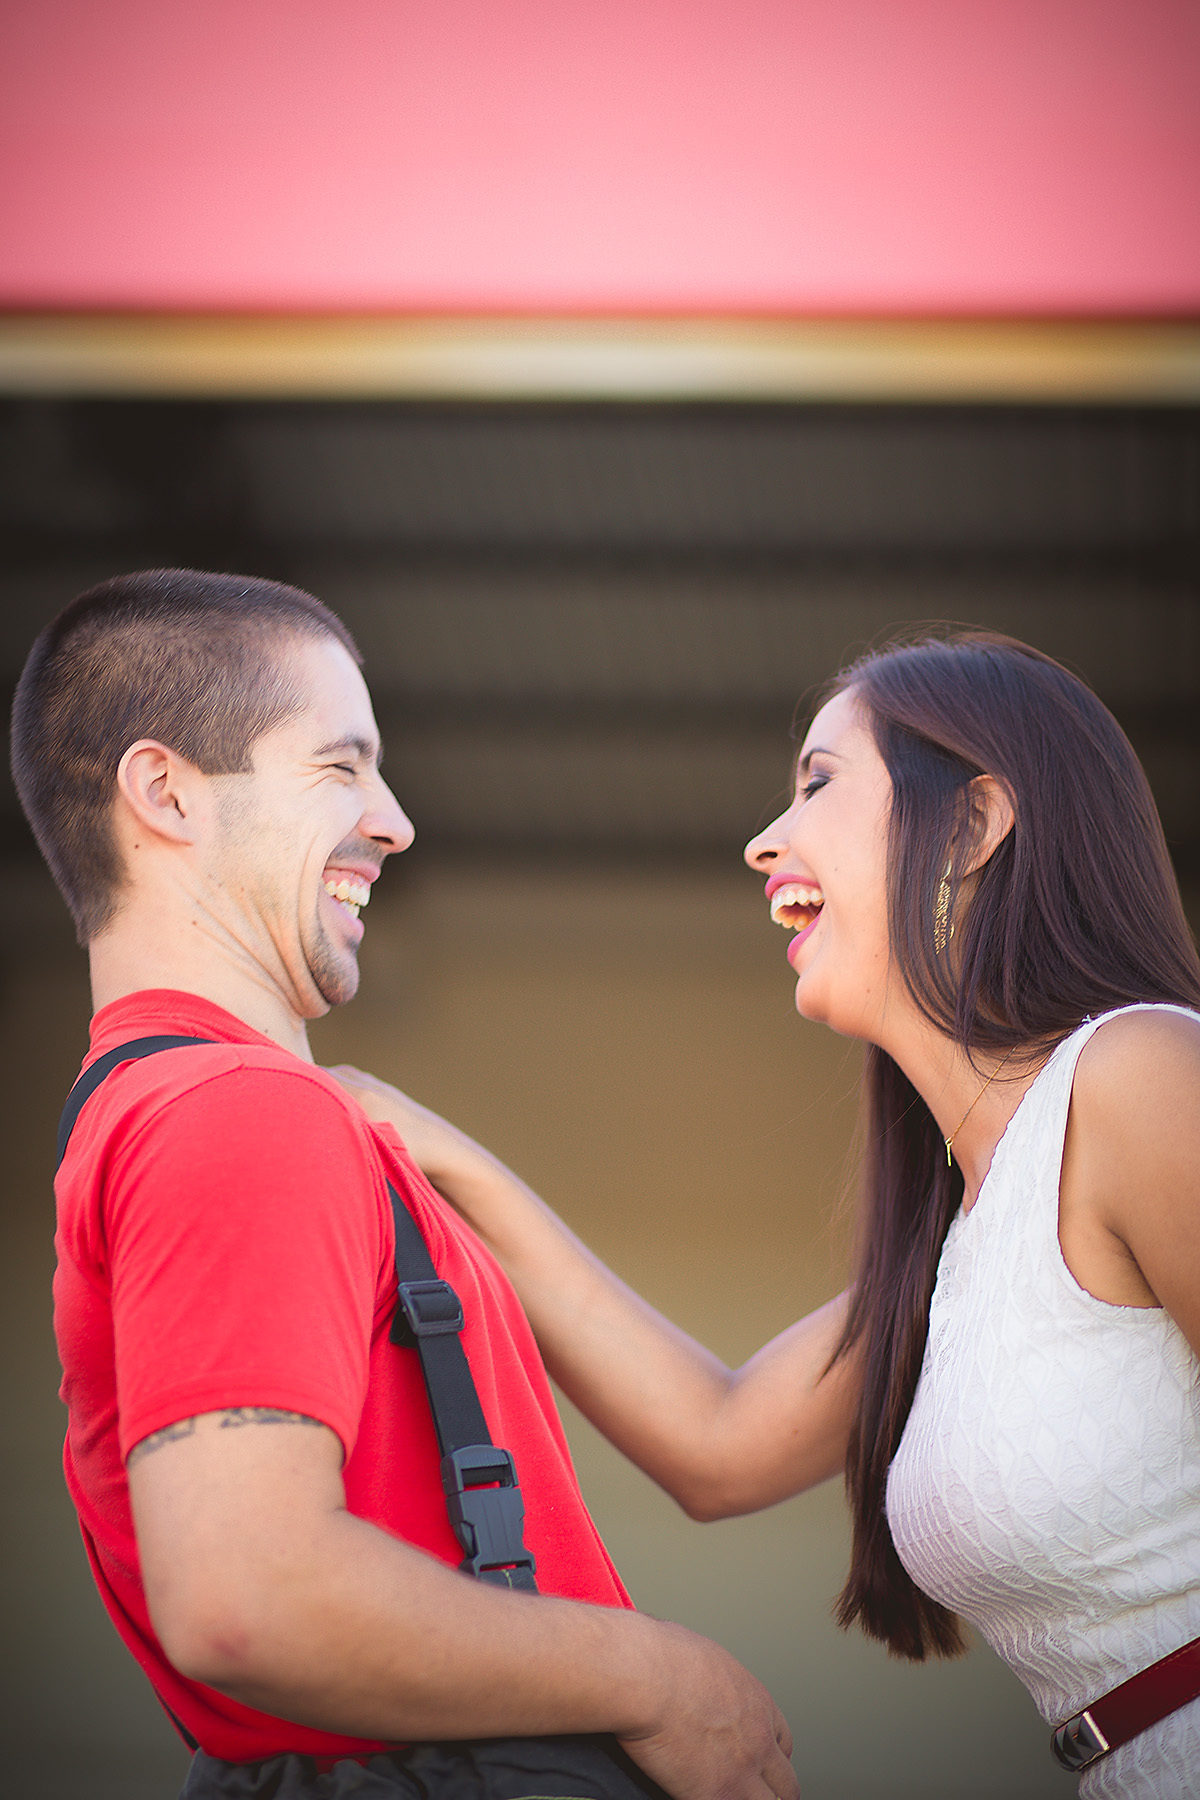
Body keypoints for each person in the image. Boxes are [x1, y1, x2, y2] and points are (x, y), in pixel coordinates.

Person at [338, 632, 1200, 1800]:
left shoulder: (1144, 1076)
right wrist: (438, 1154)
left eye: (820, 781)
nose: (763, 840)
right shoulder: (965, 1246)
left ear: (973, 824)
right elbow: (716, 1442)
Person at [10, 568, 799, 1800]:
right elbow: (247, 1596)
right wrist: (663, 1680)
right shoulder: (235, 1111)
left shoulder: (162, 1108)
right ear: (166, 793)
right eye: (341, 766)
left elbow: (720, 1438)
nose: (394, 821)